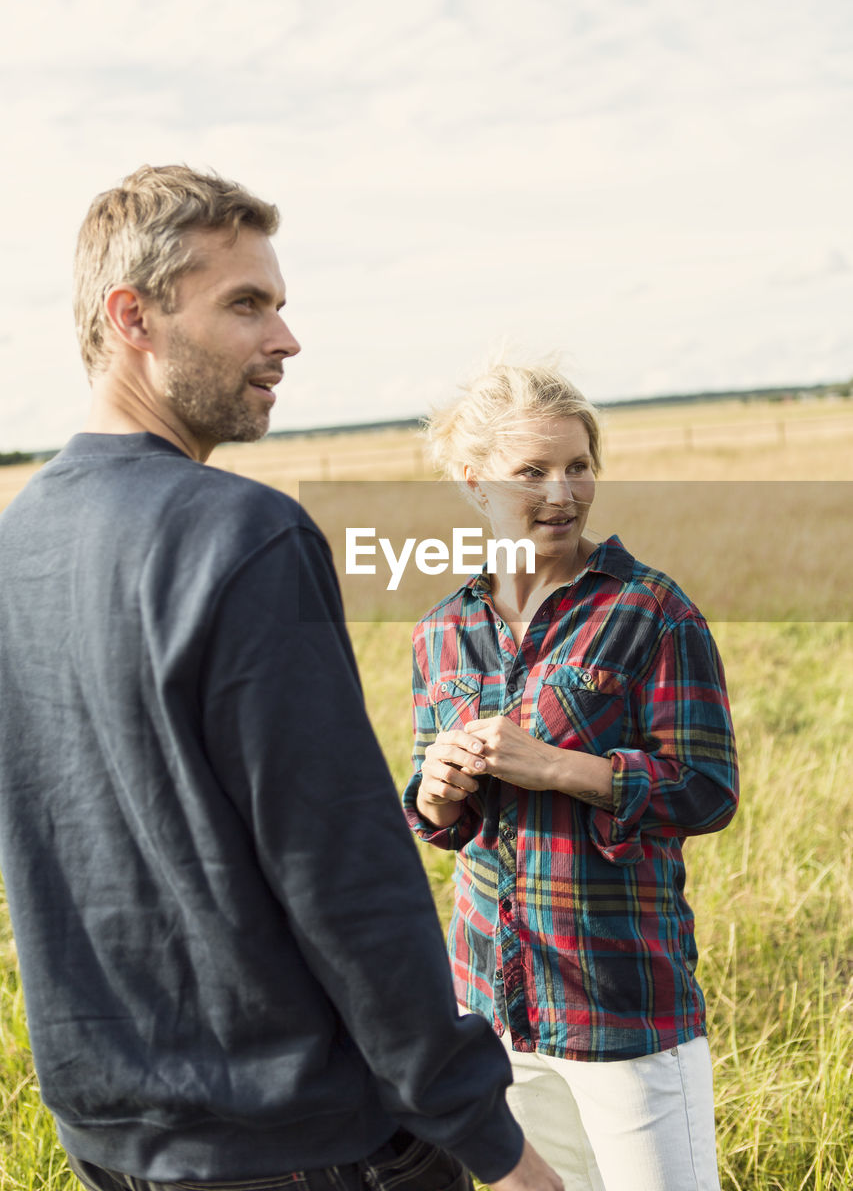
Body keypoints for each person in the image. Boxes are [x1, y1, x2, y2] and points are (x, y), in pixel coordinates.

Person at [0, 167, 562, 1191]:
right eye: (245, 304)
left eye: (282, 304)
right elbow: (344, 874)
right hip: (301, 1139)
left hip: (113, 1139)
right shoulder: (243, 535)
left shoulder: (17, 540)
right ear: (135, 317)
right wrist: (489, 1138)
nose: (286, 340)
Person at [403, 361, 739, 1191]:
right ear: (475, 484)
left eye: (579, 465)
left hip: (623, 1007)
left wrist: (556, 766)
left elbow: (705, 788)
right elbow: (434, 816)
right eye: (532, 472)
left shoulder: (651, 611)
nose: (564, 490)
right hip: (492, 1004)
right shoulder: (440, 632)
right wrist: (435, 791)